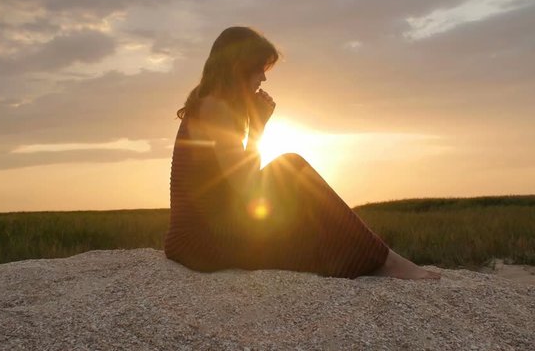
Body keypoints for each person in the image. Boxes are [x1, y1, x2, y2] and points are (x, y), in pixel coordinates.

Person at [164, 26, 440, 280]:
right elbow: (247, 187)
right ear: (239, 67)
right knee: (291, 166)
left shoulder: (211, 104)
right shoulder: (217, 109)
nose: (263, 77)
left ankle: (376, 261)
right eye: (259, 69)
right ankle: (386, 262)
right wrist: (259, 127)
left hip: (202, 236)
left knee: (300, 231)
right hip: (201, 241)